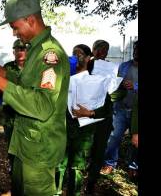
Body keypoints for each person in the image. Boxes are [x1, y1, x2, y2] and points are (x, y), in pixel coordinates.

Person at [0, 0, 70, 195]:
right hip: (26, 144)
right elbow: (28, 86)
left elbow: (42, 105)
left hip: (39, 151)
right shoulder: (36, 50)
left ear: (30, 20)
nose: (14, 33)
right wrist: (3, 73)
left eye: (15, 27)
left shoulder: (49, 54)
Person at [55, 44, 112, 196]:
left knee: (77, 167)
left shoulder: (97, 80)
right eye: (74, 53)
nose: (77, 56)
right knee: (59, 165)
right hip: (64, 128)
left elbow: (106, 109)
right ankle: (56, 192)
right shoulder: (65, 77)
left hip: (84, 131)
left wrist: (91, 112)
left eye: (80, 54)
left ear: (88, 58)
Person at [100, 40, 139, 178]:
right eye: (135, 49)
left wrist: (134, 86)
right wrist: (120, 83)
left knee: (136, 141)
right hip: (121, 108)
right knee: (114, 137)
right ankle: (109, 163)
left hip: (137, 112)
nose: (136, 52)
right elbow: (114, 83)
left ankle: (133, 165)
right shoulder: (124, 66)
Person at [84, 40, 114, 193]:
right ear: (93, 50)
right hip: (86, 114)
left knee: (99, 149)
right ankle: (77, 173)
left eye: (106, 50)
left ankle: (91, 181)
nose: (102, 52)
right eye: (99, 49)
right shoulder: (85, 64)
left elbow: (116, 92)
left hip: (104, 115)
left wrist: (118, 87)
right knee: (84, 147)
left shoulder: (111, 68)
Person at [0, 39, 27, 196]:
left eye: (23, 49)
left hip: (27, 120)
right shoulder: (8, 68)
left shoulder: (33, 69)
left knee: (26, 156)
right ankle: (16, 187)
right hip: (11, 119)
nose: (20, 52)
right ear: (13, 51)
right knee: (12, 154)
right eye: (17, 49)